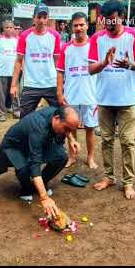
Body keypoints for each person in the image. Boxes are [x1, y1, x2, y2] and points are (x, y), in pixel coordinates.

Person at [88, 0, 135, 199]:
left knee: (127, 142)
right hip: (104, 99)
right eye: (105, 19)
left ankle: (128, 182)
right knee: (106, 140)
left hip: (127, 99)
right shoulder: (97, 38)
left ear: (121, 17)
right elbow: (90, 69)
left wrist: (129, 64)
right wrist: (105, 62)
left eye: (112, 19)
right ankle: (109, 177)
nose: (108, 23)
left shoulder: (134, 35)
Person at [0, 106, 80, 215]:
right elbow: (35, 163)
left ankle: (39, 184)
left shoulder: (58, 114)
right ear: (56, 118)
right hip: (15, 146)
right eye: (66, 129)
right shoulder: (39, 128)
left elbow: (67, 128)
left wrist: (72, 139)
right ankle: (26, 189)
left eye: (71, 130)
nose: (67, 132)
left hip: (35, 142)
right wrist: (44, 198)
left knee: (61, 157)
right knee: (26, 168)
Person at [56, 12, 98, 169]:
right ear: (71, 27)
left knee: (90, 128)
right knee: (70, 127)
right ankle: (72, 156)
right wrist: (60, 93)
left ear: (87, 25)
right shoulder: (65, 48)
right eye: (76, 25)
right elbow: (60, 71)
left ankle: (90, 157)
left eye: (82, 24)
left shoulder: (94, 45)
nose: (79, 28)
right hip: (71, 95)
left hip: (90, 95)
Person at [10, 3, 61, 119]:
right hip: (31, 84)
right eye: (39, 17)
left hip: (51, 83)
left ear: (48, 18)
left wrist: (60, 84)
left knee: (60, 116)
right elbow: (18, 61)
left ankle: (56, 137)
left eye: (44, 17)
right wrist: (14, 85)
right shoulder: (25, 36)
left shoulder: (55, 36)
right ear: (33, 17)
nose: (42, 20)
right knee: (25, 119)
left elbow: (57, 62)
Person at [0, 20, 20, 121]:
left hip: (14, 72)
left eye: (11, 27)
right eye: (7, 27)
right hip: (2, 71)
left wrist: (22, 68)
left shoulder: (17, 40)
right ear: (3, 29)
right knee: (1, 94)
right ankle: (1, 113)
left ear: (13, 28)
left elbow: (20, 57)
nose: (9, 29)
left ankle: (16, 110)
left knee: (14, 92)